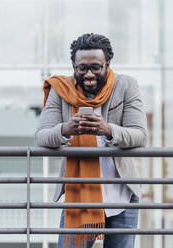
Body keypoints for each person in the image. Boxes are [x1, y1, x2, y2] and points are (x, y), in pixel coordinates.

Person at [35, 33, 147, 248]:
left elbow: (140, 135)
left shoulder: (126, 86)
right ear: (73, 65)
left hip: (122, 197)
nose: (88, 74)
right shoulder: (60, 89)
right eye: (82, 68)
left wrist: (107, 130)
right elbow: (42, 135)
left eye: (95, 67)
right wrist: (66, 129)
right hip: (79, 198)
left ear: (107, 64)